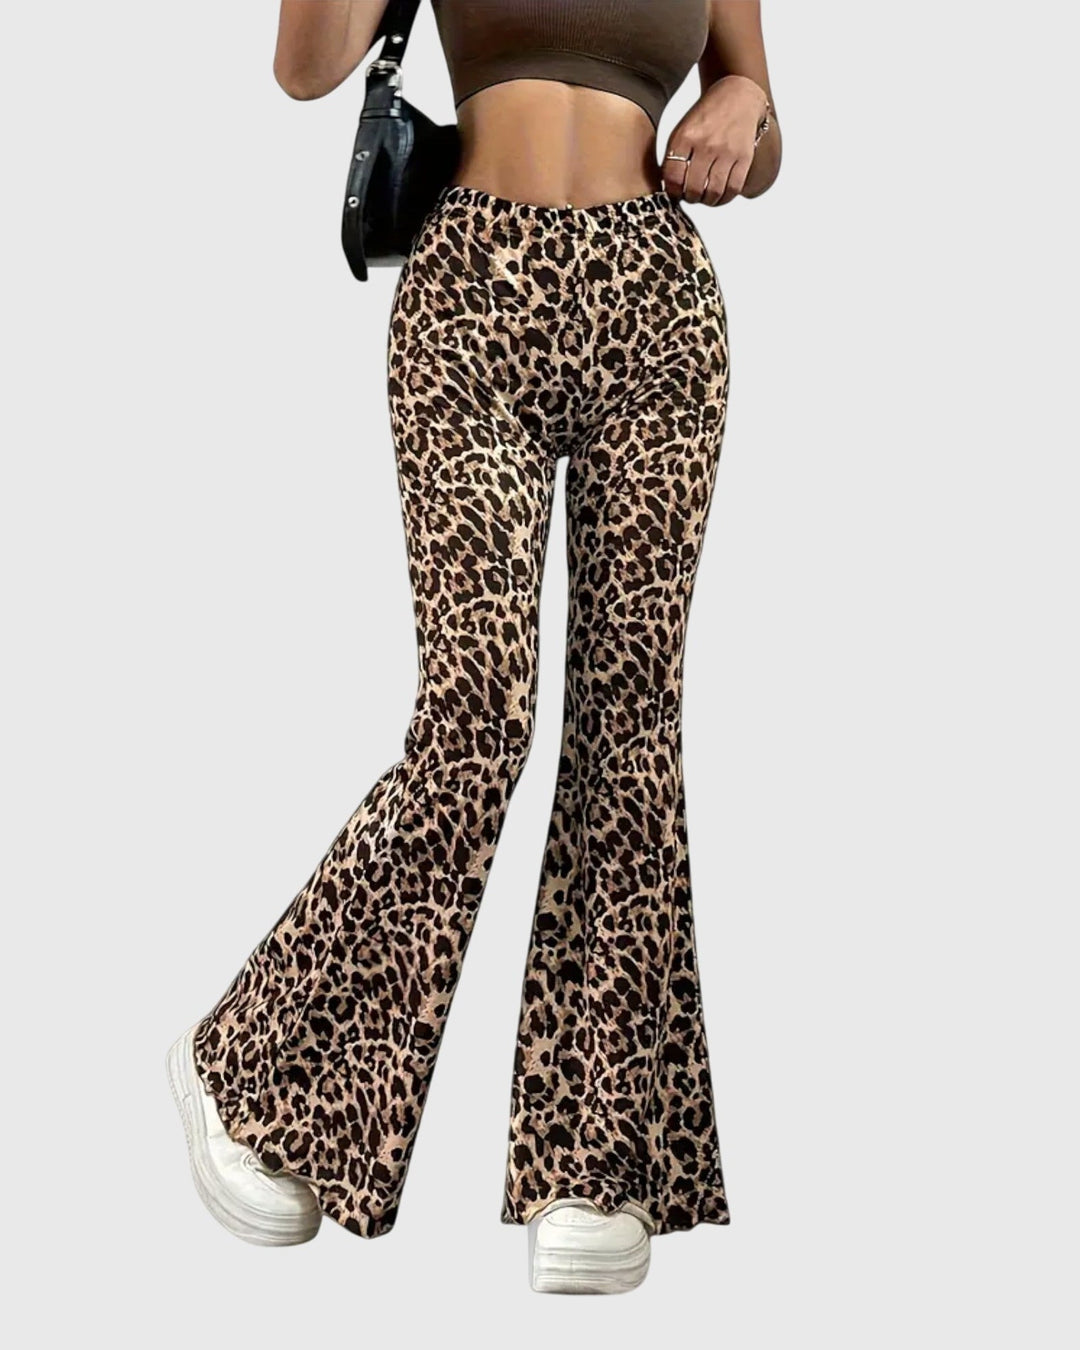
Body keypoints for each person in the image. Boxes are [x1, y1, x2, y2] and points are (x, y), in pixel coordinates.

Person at [167, 0, 781, 1295]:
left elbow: (759, 129)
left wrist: (746, 108)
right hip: (472, 293)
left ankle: (592, 1161)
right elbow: (303, 70)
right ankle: (259, 1074)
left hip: (657, 307)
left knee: (628, 730)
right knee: (475, 723)